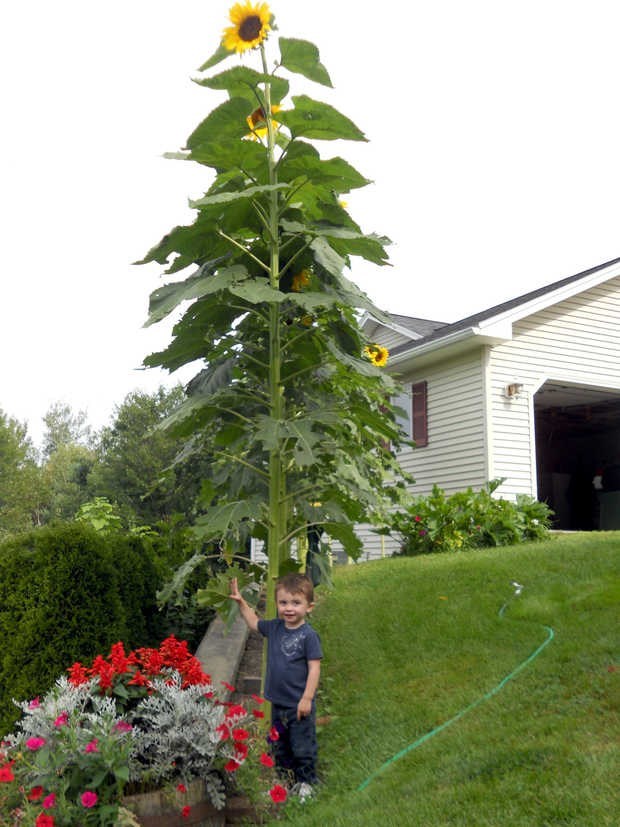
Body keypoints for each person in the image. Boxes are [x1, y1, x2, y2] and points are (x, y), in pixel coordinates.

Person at [229, 573, 322, 799]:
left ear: (309, 607)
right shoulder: (275, 627)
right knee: (279, 746)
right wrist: (241, 603)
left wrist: (307, 698)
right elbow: (253, 622)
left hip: (298, 706)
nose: (289, 608)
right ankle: (284, 782)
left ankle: (307, 784)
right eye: (283, 603)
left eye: (296, 603)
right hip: (278, 705)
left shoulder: (308, 636)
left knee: (302, 746)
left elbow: (314, 668)